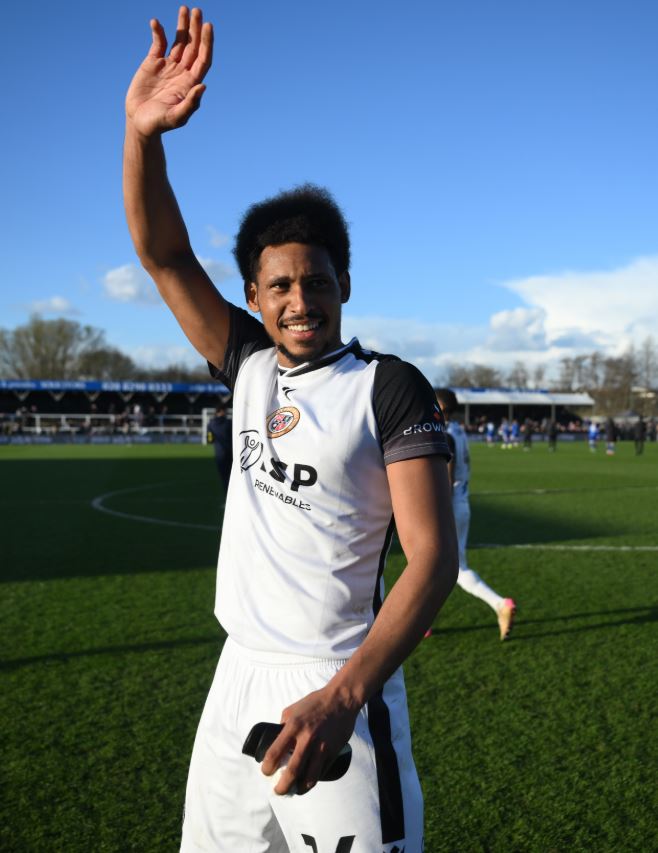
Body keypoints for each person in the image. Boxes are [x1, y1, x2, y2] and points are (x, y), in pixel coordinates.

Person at [123, 8, 458, 852]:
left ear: (345, 283)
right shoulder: (244, 362)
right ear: (254, 294)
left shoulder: (387, 387)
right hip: (237, 673)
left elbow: (433, 559)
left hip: (338, 681)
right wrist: (142, 136)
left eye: (317, 281)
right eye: (279, 286)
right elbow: (164, 255)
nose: (300, 300)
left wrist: (344, 697)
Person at [431, 390, 516, 643]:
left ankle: (499, 603)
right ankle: (423, 622)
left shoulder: (445, 433)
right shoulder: (458, 430)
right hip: (462, 503)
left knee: (449, 568)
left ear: (441, 408)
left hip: (450, 506)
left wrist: (437, 511)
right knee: (438, 567)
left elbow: (446, 478)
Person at [206, 402, 233, 490]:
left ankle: (226, 493)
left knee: (224, 477)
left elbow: (210, 440)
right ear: (222, 411)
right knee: (232, 476)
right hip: (230, 452)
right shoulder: (229, 423)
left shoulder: (211, 424)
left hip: (219, 453)